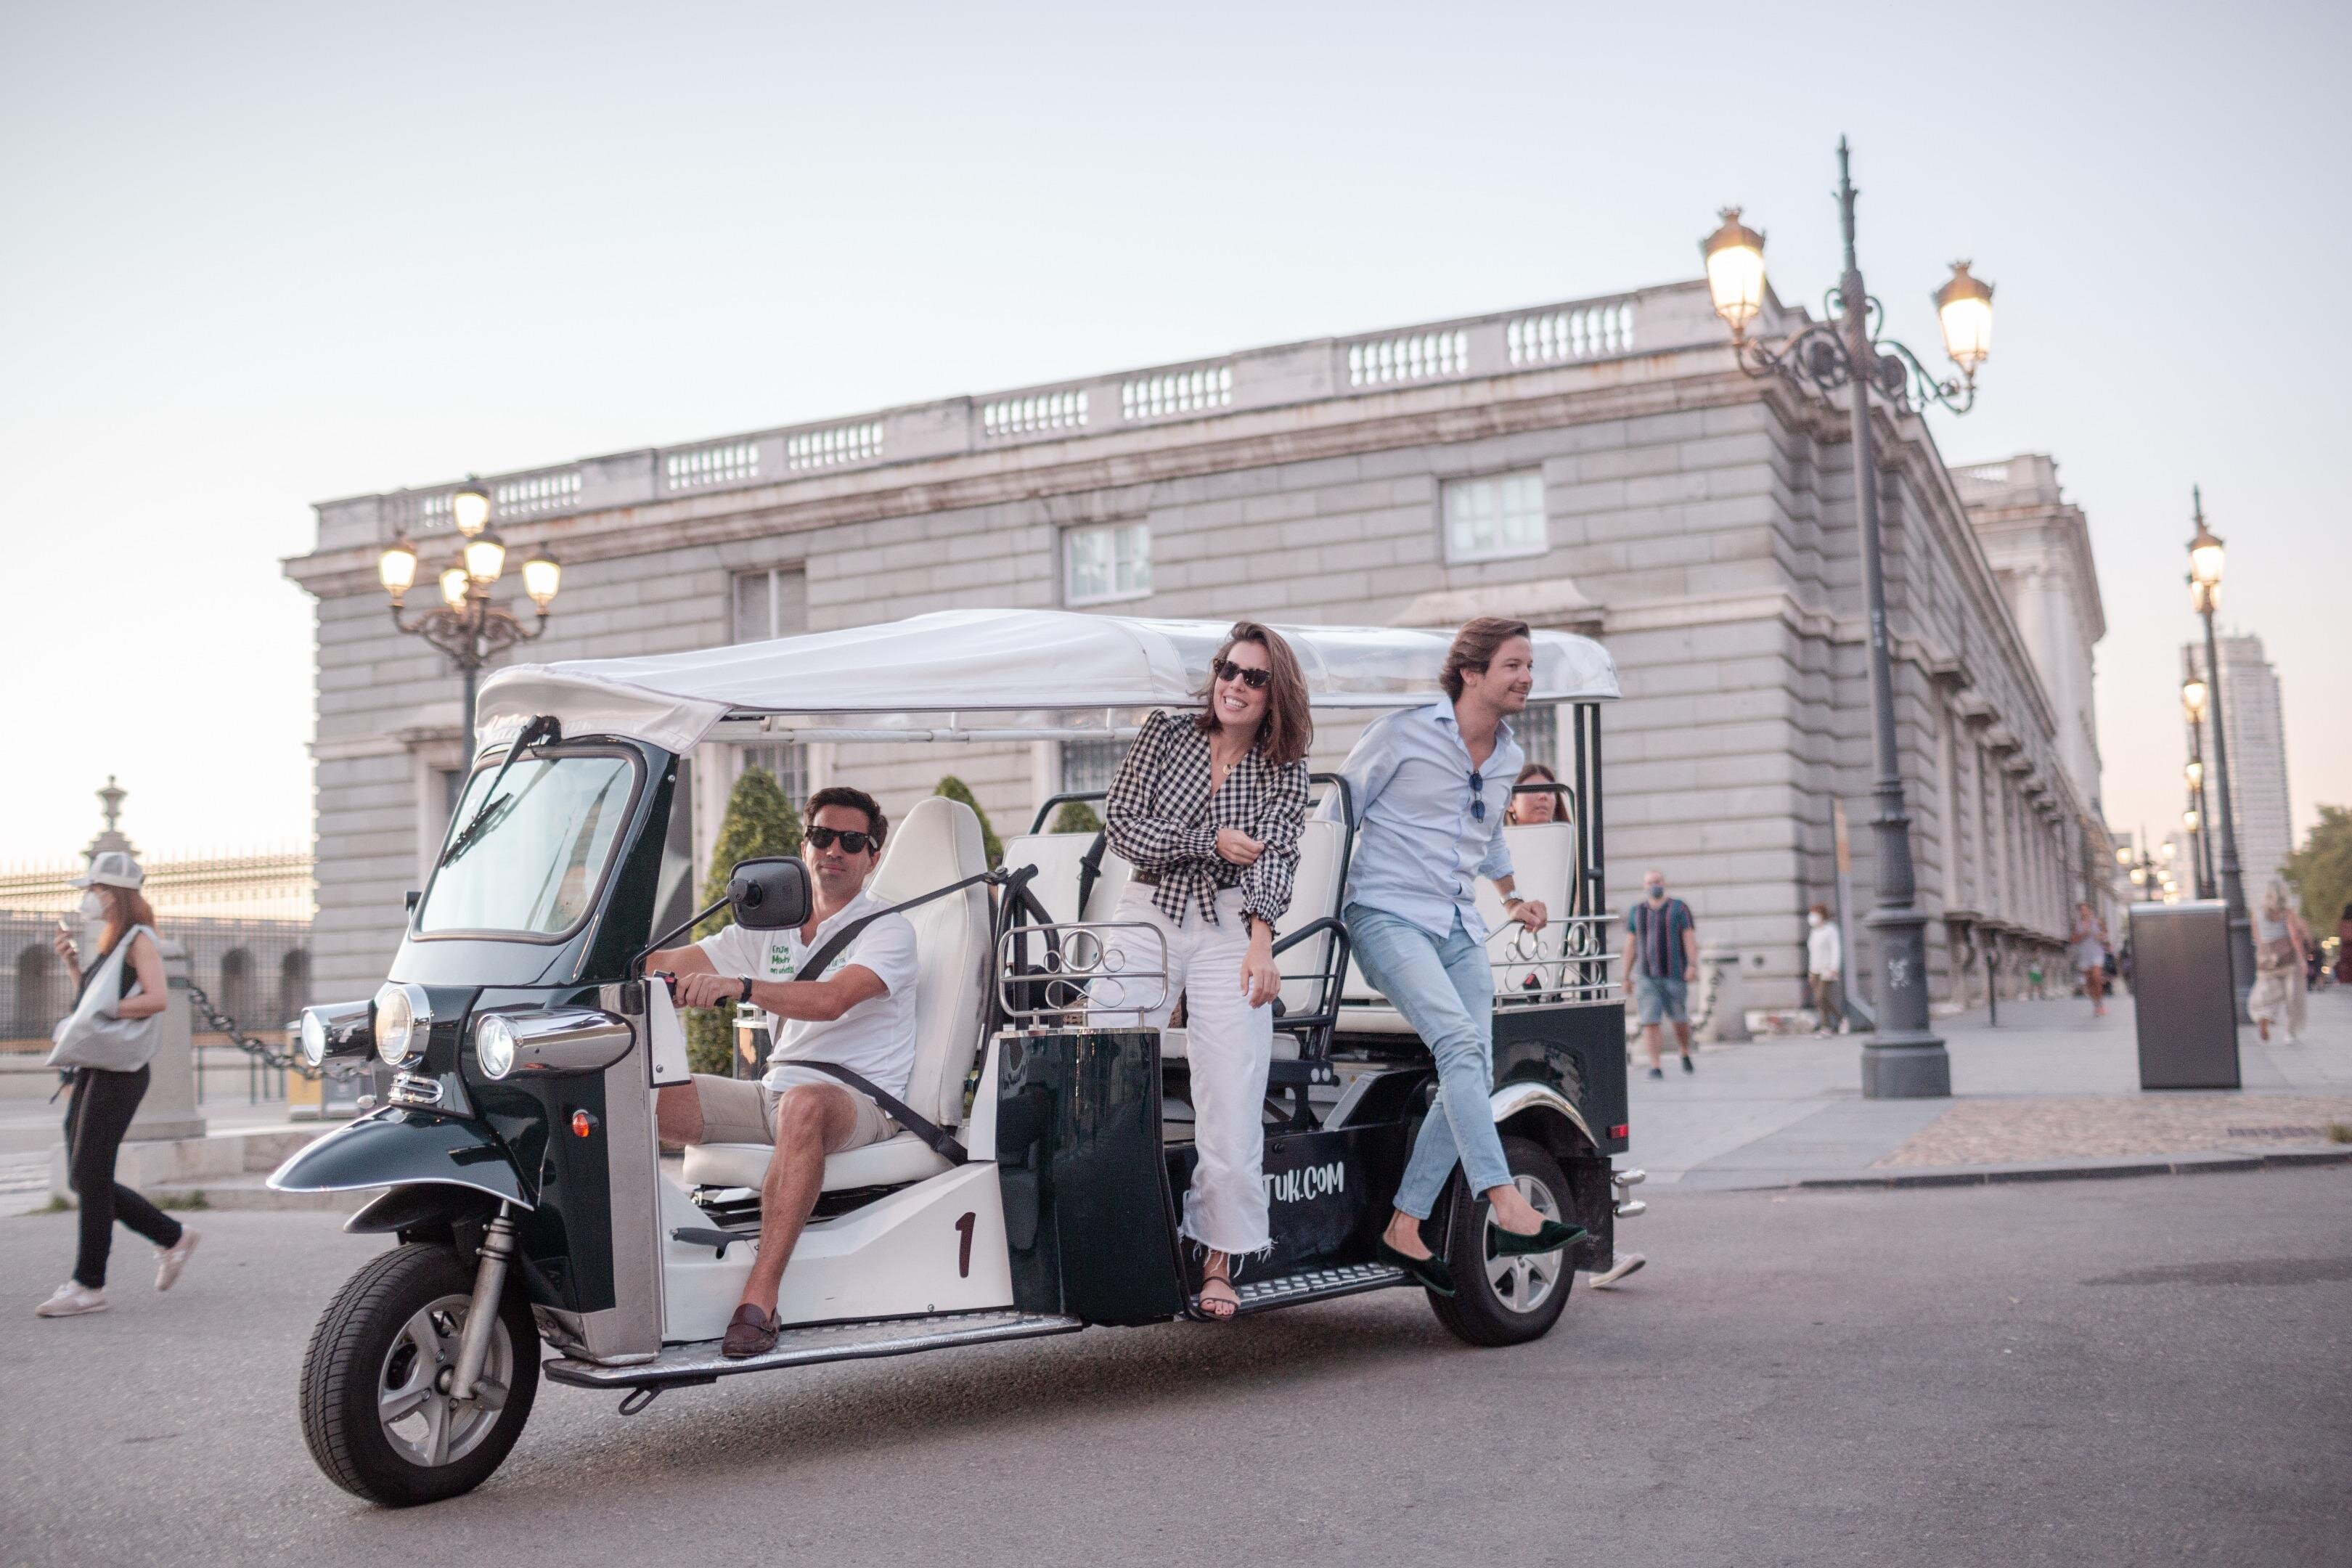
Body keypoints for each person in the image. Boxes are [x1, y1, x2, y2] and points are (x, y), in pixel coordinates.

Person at [1336, 616, 1583, 1298]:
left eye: (1530, 666)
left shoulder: (1508, 755)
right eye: (1514, 666)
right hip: (1385, 914)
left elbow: (1488, 835)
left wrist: (1512, 897)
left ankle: (1405, 1224)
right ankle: (1505, 1202)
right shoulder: (1402, 734)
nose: (1527, 678)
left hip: (1456, 923)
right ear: (1471, 673)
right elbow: (1339, 813)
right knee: (1460, 1044)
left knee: (1468, 1066)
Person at [646, 786, 919, 1358]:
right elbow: (667, 964)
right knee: (637, 1097)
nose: (834, 851)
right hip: (775, 1092)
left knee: (804, 1105)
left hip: (859, 1100)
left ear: (872, 857)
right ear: (804, 846)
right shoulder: (769, 926)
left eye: (852, 842)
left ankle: (760, 1298)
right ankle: (634, 1257)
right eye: (822, 836)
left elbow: (831, 1000)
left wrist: (740, 986)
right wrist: (610, 964)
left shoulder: (887, 930)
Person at [1094, 621, 1311, 1320]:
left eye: (1254, 677)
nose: (1235, 685)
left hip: (1230, 923)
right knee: (1102, 1057)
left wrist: (1261, 944)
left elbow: (1277, 858)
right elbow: (1122, 826)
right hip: (1149, 906)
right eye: (1228, 669)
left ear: (1275, 693)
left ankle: (1220, 1259)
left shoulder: (1285, 769)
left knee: (1232, 1088)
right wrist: (1207, 840)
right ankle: (1103, 1228)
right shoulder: (1166, 733)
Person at [37, 852, 200, 1318]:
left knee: (90, 1173)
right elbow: (93, 1003)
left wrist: (108, 1007)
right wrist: (73, 965)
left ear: (113, 894)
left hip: (120, 1072)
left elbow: (157, 998)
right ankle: (172, 1236)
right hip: (97, 1067)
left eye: (94, 889)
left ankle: (88, 1285)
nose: (88, 898)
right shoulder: (112, 943)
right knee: (82, 1176)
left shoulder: (139, 938)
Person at [1623, 870, 1699, 1078]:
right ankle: (1655, 1065)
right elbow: (1631, 945)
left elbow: (1689, 938)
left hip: (1674, 974)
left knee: (1679, 1019)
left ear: (1664, 883)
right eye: (1650, 883)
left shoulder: (1679, 908)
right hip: (1646, 976)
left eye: (1657, 881)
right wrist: (1626, 976)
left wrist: (1692, 965)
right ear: (1644, 886)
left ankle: (1684, 1051)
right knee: (1650, 1021)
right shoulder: (1637, 911)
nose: (1654, 886)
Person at [2247, 881, 2308, 1045]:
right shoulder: (2287, 913)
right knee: (2292, 996)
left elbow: (2257, 939)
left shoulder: (2257, 914)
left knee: (2266, 992)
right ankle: (2290, 1033)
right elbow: (2294, 936)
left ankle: (2264, 1015)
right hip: (2288, 960)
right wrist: (2302, 959)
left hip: (2266, 960)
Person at [1806, 903, 1842, 1036]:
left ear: (1822, 915)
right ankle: (1835, 1022)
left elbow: (1836, 949)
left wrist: (1835, 967)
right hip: (1815, 970)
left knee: (1821, 997)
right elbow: (1813, 953)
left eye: (1815, 914)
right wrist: (1810, 972)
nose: (1812, 917)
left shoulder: (1830, 929)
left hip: (1827, 969)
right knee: (1819, 1000)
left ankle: (1829, 1024)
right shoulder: (1814, 932)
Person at [2071, 902, 2110, 1018]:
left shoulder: (2097, 921)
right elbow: (2073, 940)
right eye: (2081, 910)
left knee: (2096, 977)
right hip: (2084, 955)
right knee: (2089, 981)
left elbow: (2105, 933)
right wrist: (2083, 934)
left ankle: (2100, 1003)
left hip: (2097, 953)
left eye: (2085, 909)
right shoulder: (2077, 924)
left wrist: (2101, 936)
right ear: (2079, 912)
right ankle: (2096, 1004)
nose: (2084, 912)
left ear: (2089, 910)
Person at [1505, 761, 1564, 826]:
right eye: (1532, 790)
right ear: (1510, 803)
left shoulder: (1569, 832)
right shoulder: (1498, 832)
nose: (1543, 796)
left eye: (1549, 791)